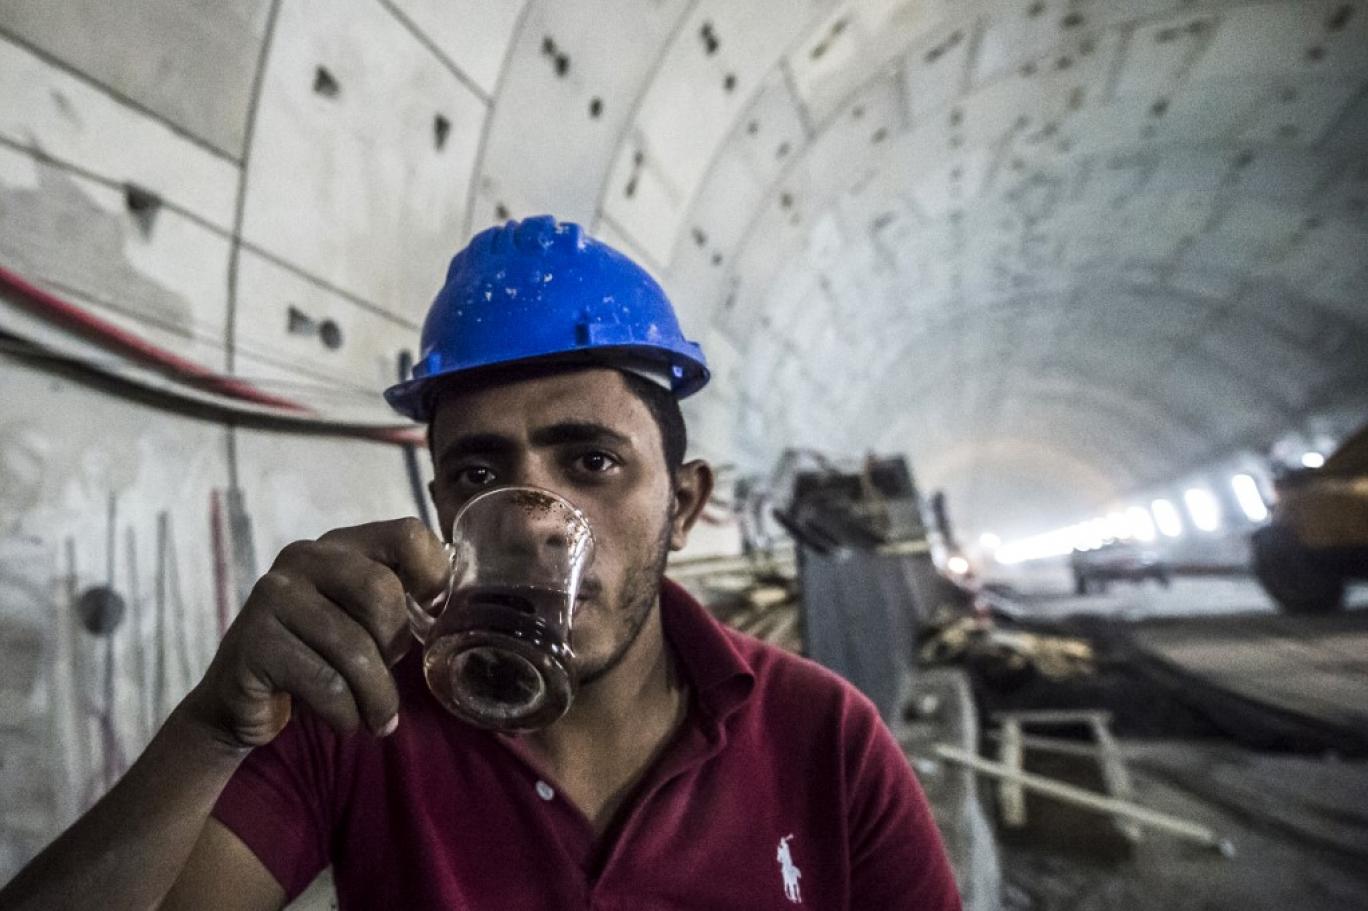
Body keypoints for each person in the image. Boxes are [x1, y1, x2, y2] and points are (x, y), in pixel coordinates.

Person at [1, 216, 961, 910]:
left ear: (685, 503)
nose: (539, 520)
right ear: (444, 512)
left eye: (592, 461)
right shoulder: (358, 717)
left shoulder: (825, 741)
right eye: (479, 471)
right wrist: (214, 728)